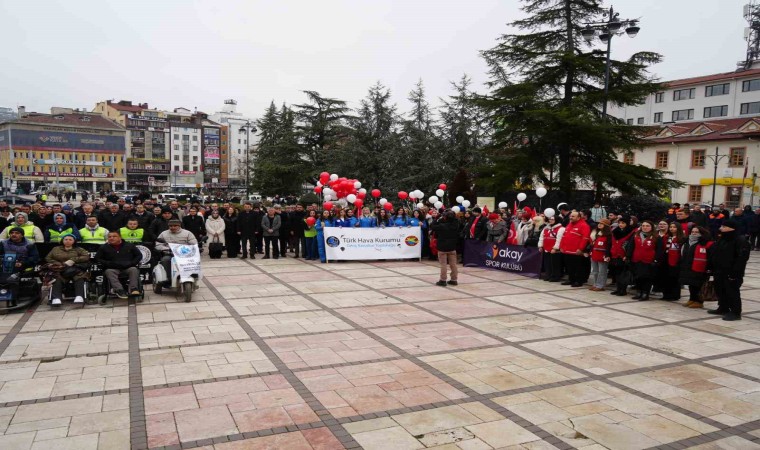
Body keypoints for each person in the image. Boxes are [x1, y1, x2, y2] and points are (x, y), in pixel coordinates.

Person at [707, 219, 751, 321]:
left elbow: (742, 258)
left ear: (731, 228)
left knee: (732, 292)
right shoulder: (722, 239)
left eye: (723, 227)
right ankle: (723, 307)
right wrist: (711, 267)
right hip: (719, 270)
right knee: (720, 290)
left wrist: (735, 273)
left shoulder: (740, 240)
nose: (720, 228)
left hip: (731, 272)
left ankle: (735, 312)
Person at [95, 231, 142, 299]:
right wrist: (109, 264)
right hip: (113, 268)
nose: (111, 238)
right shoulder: (103, 247)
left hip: (127, 267)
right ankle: (119, 290)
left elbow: (139, 255)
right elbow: (97, 259)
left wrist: (132, 263)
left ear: (120, 237)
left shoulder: (129, 245)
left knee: (133, 269)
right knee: (108, 271)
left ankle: (134, 289)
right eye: (109, 237)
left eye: (114, 236)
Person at [45, 234, 90, 305]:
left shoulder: (79, 249)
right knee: (56, 278)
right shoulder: (55, 249)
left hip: (74, 269)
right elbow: (48, 258)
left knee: (80, 277)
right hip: (60, 269)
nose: (68, 241)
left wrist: (73, 260)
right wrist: (58, 263)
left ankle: (79, 296)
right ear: (62, 240)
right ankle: (56, 298)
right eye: (66, 239)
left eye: (70, 240)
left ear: (74, 241)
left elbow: (86, 257)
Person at [155, 220, 198, 287]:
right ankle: (168, 279)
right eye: (171, 226)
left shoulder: (187, 233)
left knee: (192, 260)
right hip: (169, 254)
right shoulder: (164, 234)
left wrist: (192, 247)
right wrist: (165, 248)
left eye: (175, 226)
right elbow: (158, 245)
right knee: (165, 260)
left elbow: (194, 243)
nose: (173, 227)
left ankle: (193, 275)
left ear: (179, 226)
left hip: (184, 254)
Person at [680, 226, 713, 309]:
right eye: (692, 232)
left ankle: (699, 301)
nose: (694, 233)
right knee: (691, 284)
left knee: (698, 285)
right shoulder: (687, 242)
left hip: (700, 268)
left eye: (696, 232)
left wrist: (709, 268)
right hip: (688, 267)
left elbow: (710, 256)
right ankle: (692, 299)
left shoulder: (706, 243)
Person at [627, 220, 657, 301]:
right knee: (637, 277)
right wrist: (628, 257)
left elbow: (659, 249)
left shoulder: (656, 236)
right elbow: (630, 246)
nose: (645, 227)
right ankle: (638, 292)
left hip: (648, 261)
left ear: (651, 227)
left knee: (646, 278)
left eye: (647, 226)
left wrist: (655, 260)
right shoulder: (636, 235)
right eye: (643, 226)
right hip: (636, 260)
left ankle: (645, 293)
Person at [560, 211, 591, 287]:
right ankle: (571, 279)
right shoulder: (569, 224)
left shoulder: (584, 225)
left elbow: (585, 238)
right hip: (567, 250)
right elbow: (564, 236)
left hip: (576, 251)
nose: (571, 217)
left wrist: (580, 248)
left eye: (573, 216)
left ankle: (578, 281)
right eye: (570, 216)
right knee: (569, 266)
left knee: (578, 267)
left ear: (578, 217)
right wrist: (561, 246)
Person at [431, 210, 459, 286]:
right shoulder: (456, 224)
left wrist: (436, 218)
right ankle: (454, 279)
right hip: (452, 246)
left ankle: (443, 280)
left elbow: (432, 226)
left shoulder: (442, 225)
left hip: (442, 247)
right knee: (453, 264)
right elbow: (455, 219)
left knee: (443, 264)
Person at [659, 222, 685, 301]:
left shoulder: (681, 238)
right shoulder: (667, 237)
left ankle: (674, 295)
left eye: (674, 227)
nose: (672, 228)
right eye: (671, 227)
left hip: (675, 261)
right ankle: (666, 294)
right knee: (665, 278)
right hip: (665, 259)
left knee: (674, 279)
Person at [538, 215, 564, 282]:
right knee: (547, 263)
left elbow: (559, 240)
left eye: (552, 219)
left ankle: (555, 276)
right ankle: (548, 275)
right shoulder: (546, 228)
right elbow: (541, 237)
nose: (550, 221)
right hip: (546, 248)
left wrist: (555, 248)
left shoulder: (561, 229)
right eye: (550, 219)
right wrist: (540, 246)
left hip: (555, 250)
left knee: (555, 264)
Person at [588, 219, 612, 291]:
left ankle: (600, 285)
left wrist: (607, 255)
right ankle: (595, 284)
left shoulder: (609, 235)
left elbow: (609, 246)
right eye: (599, 223)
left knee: (602, 271)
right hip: (595, 254)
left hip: (603, 254)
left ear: (606, 226)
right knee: (595, 271)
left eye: (602, 223)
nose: (599, 224)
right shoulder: (598, 233)